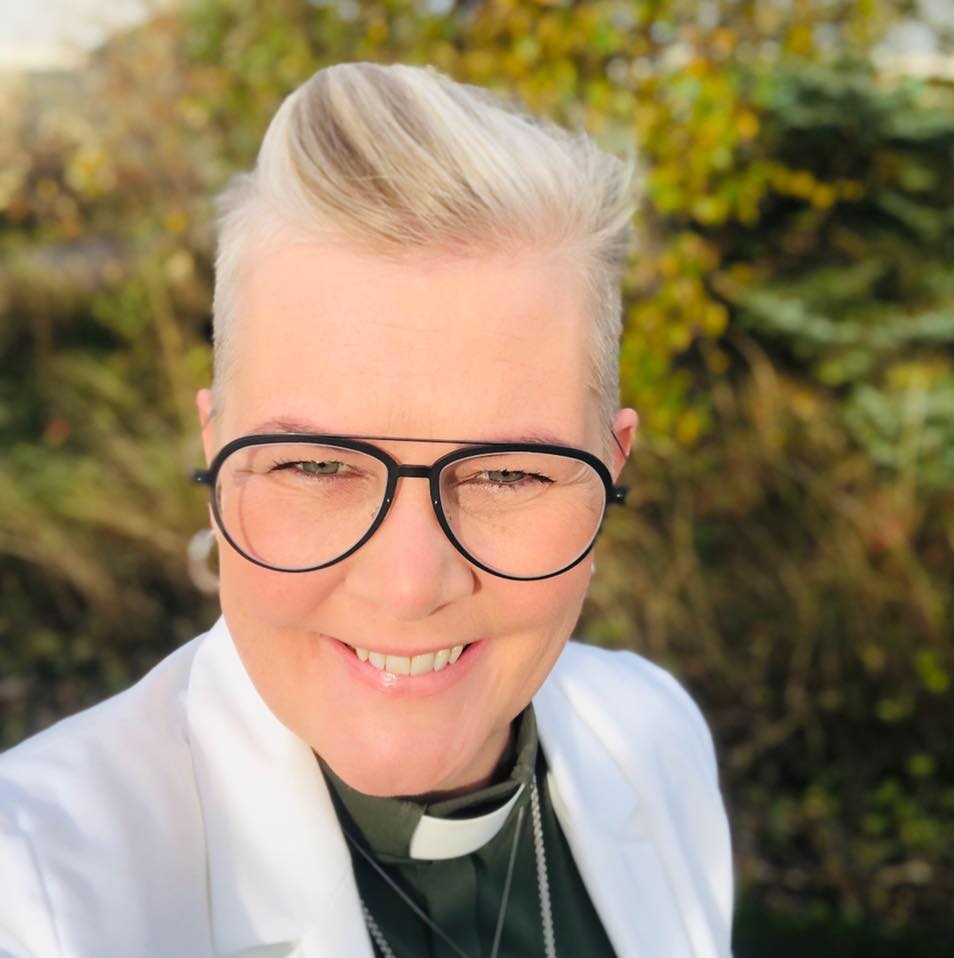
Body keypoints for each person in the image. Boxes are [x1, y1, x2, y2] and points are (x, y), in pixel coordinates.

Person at [0, 63, 733, 958]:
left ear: (612, 469)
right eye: (315, 465)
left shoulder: (652, 733)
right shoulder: (38, 893)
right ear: (216, 456)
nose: (410, 584)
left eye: (508, 475)